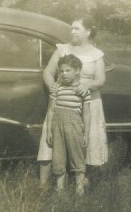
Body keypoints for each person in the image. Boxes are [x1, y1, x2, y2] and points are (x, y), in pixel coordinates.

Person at [37, 15, 108, 187]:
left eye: (77, 28)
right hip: (62, 99)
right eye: (71, 28)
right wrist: (53, 86)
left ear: (88, 32)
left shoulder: (96, 54)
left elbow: (100, 80)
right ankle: (44, 183)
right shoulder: (62, 49)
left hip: (88, 100)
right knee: (52, 136)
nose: (72, 31)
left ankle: (85, 179)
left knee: (87, 137)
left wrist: (87, 86)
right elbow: (47, 72)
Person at [46, 54, 91, 195]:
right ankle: (60, 189)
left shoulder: (82, 90)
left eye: (68, 70)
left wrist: (86, 133)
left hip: (74, 124)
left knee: (76, 154)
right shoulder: (56, 88)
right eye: (61, 71)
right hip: (57, 124)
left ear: (77, 70)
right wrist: (49, 131)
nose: (64, 74)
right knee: (58, 155)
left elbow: (86, 114)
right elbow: (51, 110)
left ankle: (79, 187)